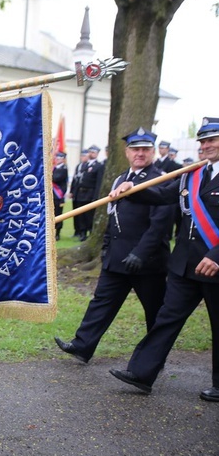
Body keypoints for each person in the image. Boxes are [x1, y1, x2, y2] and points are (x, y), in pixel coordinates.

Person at [108, 117, 219, 401]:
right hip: (185, 265)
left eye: (211, 140)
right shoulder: (193, 174)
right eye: (203, 141)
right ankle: (142, 373)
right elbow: (161, 196)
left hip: (215, 266)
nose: (205, 146)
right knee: (166, 319)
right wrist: (130, 191)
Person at [54, 127, 173, 362]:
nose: (140, 153)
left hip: (146, 261)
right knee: (101, 303)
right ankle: (82, 346)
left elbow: (160, 225)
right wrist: (106, 247)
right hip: (116, 257)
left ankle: (153, 361)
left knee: (155, 311)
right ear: (127, 152)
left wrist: (141, 254)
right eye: (135, 149)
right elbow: (111, 217)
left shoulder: (161, 179)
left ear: (153, 152)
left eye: (145, 149)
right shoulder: (121, 178)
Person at [71, 145, 104, 241]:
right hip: (81, 193)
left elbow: (99, 182)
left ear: (97, 154)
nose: (91, 154)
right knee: (81, 215)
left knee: (89, 215)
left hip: (90, 193)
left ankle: (90, 231)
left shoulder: (99, 166)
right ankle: (82, 233)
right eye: (90, 152)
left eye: (94, 152)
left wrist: (96, 196)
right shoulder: (84, 165)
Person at [52, 151, 69, 241]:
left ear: (63, 159)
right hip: (52, 196)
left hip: (58, 196)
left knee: (58, 214)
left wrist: (48, 174)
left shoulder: (63, 169)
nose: (57, 159)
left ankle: (57, 233)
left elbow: (56, 178)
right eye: (56, 158)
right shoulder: (54, 168)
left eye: (59, 158)